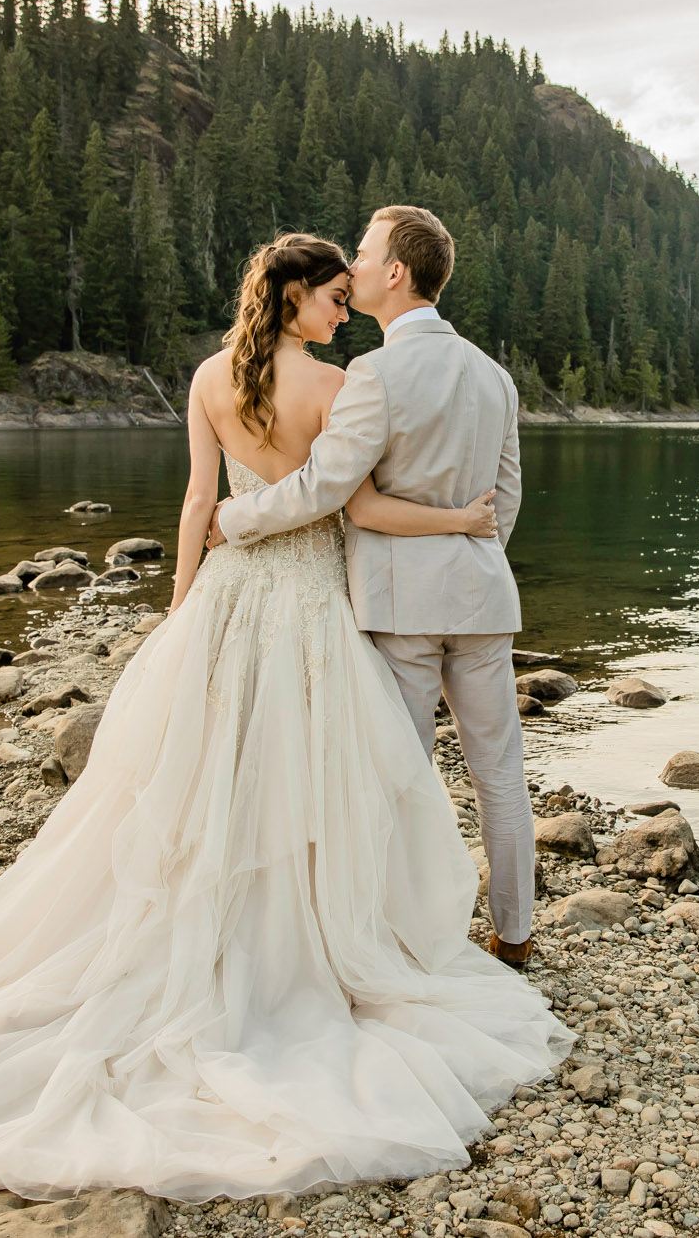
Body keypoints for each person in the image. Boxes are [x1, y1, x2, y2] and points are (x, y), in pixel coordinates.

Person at [0, 232, 574, 1205]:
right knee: (360, 774)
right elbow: (356, 501)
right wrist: (468, 538)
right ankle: (463, 932)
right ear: (298, 299)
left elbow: (200, 500)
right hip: (344, 603)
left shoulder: (216, 376)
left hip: (235, 598)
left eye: (354, 290)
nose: (343, 309)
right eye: (331, 297)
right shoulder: (365, 387)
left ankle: (261, 927)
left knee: (232, 772)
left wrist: (184, 600)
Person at [207, 205, 536, 968]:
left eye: (362, 252)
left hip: (399, 606)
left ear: (396, 271)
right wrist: (473, 562)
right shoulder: (494, 376)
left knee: (399, 774)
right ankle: (514, 937)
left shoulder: (374, 374)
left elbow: (325, 485)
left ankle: (404, 935)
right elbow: (506, 498)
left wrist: (240, 515)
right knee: (500, 773)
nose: (350, 267)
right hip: (484, 598)